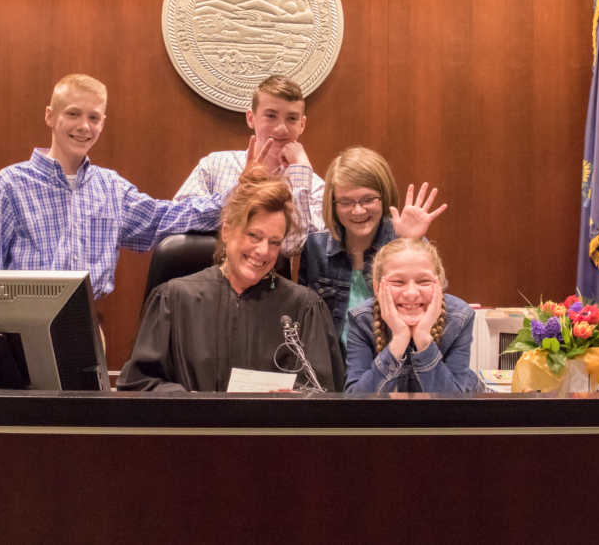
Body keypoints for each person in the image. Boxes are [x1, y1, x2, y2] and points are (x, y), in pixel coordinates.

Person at [0, 74, 255, 299]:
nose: (84, 126)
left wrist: (241, 192)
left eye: (93, 117)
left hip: (87, 326)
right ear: (49, 116)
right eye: (72, 114)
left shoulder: (111, 189)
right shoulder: (9, 185)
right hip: (21, 325)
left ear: (103, 123)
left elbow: (167, 218)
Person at [117, 166, 345, 392]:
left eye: (274, 242)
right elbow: (139, 383)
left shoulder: (303, 307)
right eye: (254, 236)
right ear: (226, 231)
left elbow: (324, 394)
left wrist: (296, 400)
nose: (263, 251)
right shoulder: (174, 300)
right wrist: (189, 402)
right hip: (193, 427)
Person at [299, 146, 446, 352]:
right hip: (334, 373)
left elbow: (438, 307)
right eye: (346, 202)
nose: (358, 210)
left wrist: (410, 242)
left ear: (384, 196)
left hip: (394, 365)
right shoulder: (316, 248)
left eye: (368, 199)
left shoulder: (407, 240)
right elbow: (306, 325)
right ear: (333, 204)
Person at [174, 75, 322, 254]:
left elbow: (293, 246)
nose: (281, 128)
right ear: (251, 118)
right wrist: (240, 192)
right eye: (271, 116)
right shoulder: (214, 166)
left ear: (302, 124)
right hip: (206, 275)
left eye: (292, 118)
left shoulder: (313, 186)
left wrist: (300, 173)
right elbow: (177, 222)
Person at [345, 238, 481, 393]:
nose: (411, 293)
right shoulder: (361, 319)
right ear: (377, 288)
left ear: (440, 284)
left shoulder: (459, 317)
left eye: (423, 281)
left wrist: (423, 339)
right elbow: (356, 403)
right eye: (398, 282)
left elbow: (453, 405)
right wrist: (399, 340)